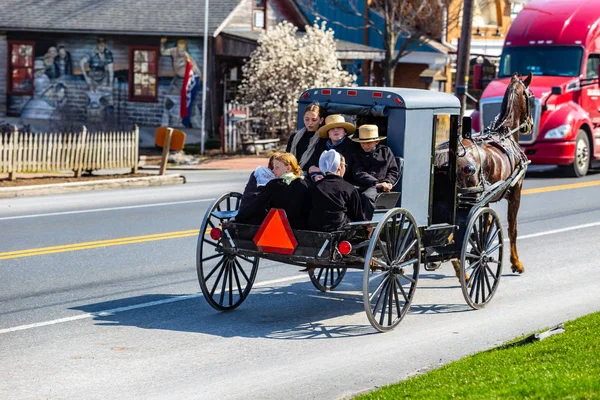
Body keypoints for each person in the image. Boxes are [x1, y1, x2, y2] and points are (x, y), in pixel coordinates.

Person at [235, 153, 309, 228]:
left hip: (279, 227)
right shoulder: (304, 183)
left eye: (277, 167)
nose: (273, 170)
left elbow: (257, 205)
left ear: (288, 168)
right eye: (273, 167)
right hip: (301, 227)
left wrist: (237, 218)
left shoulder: (276, 184)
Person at [306, 150, 367, 232]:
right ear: (339, 167)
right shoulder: (348, 188)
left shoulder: (314, 187)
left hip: (315, 232)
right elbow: (358, 216)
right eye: (345, 165)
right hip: (340, 232)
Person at [351, 124, 400, 219]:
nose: (365, 146)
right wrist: (375, 182)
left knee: (367, 196)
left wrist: (387, 182)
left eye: (368, 143)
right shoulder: (356, 153)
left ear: (376, 141)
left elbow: (393, 170)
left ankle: (367, 224)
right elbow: (358, 172)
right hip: (362, 183)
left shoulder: (385, 151)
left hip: (379, 187)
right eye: (362, 143)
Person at [307, 114, 360, 182]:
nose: (335, 130)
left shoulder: (351, 146)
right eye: (332, 128)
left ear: (345, 132)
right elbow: (311, 166)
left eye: (339, 128)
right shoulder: (321, 145)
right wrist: (315, 176)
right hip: (321, 182)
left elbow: (342, 168)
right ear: (328, 133)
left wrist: (320, 169)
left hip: (343, 183)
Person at [286, 102, 323, 172]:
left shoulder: (323, 139)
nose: (310, 123)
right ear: (303, 119)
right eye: (307, 119)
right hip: (290, 171)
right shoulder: (294, 137)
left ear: (321, 120)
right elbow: (287, 156)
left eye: (314, 120)